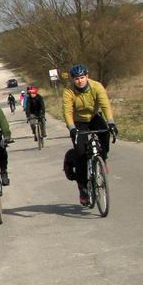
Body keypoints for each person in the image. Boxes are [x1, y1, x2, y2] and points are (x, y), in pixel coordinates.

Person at [62, 64, 119, 206]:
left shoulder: (96, 86)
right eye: (76, 79)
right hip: (78, 122)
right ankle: (82, 189)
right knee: (81, 154)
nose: (80, 81)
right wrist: (72, 128)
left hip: (94, 117)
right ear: (73, 80)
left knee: (105, 132)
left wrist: (111, 123)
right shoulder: (68, 91)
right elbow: (67, 112)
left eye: (82, 77)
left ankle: (102, 157)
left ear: (87, 76)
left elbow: (105, 105)